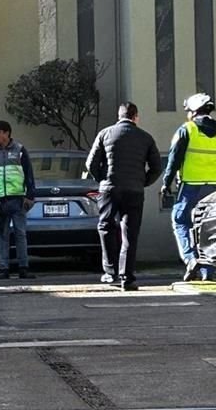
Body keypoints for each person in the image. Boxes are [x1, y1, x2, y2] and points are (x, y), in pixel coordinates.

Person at [85, 102, 162, 291]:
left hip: (109, 189)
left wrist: (102, 179)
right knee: (130, 233)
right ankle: (127, 277)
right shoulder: (146, 138)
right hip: (134, 191)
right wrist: (143, 181)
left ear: (119, 116)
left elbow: (91, 163)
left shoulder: (105, 134)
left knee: (106, 226)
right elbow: (157, 167)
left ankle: (109, 272)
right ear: (136, 116)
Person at [161, 93, 216, 282]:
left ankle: (190, 259)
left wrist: (166, 183)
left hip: (190, 187)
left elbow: (174, 159)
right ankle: (207, 271)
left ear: (194, 111)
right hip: (214, 188)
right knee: (207, 227)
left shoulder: (187, 129)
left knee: (181, 221)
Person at [0, 120, 36, 279]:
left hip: (17, 199)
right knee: (2, 234)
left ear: (7, 133)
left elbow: (29, 174)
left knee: (20, 233)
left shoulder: (20, 150)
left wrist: (30, 196)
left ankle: (23, 267)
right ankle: (4, 268)